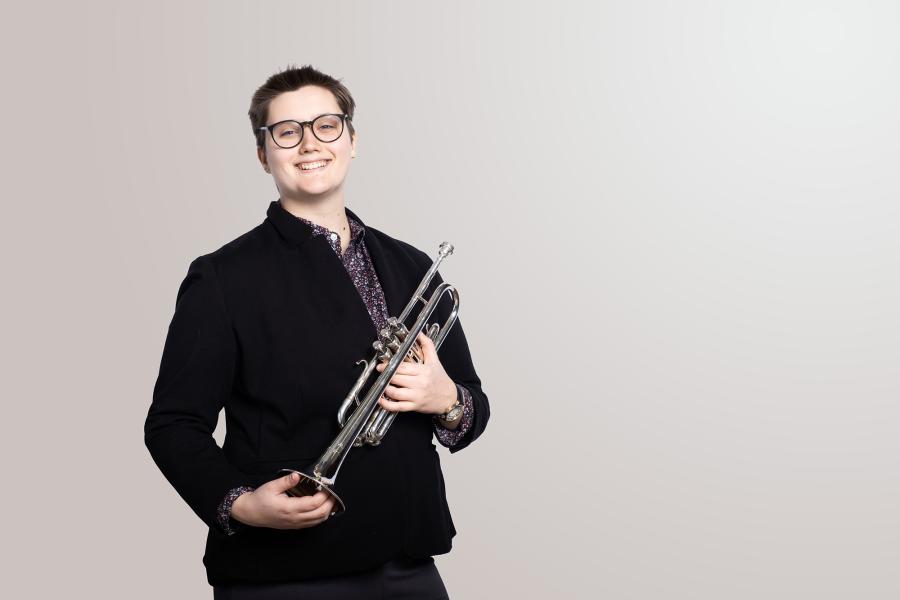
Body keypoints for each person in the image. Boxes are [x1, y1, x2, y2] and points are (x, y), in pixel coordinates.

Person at [144, 64, 490, 599]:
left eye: (326, 125)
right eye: (287, 132)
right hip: (286, 575)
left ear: (352, 141)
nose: (309, 143)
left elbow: (472, 409)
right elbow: (173, 424)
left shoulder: (411, 266)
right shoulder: (222, 277)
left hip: (409, 561)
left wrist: (446, 400)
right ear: (264, 154)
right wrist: (238, 501)